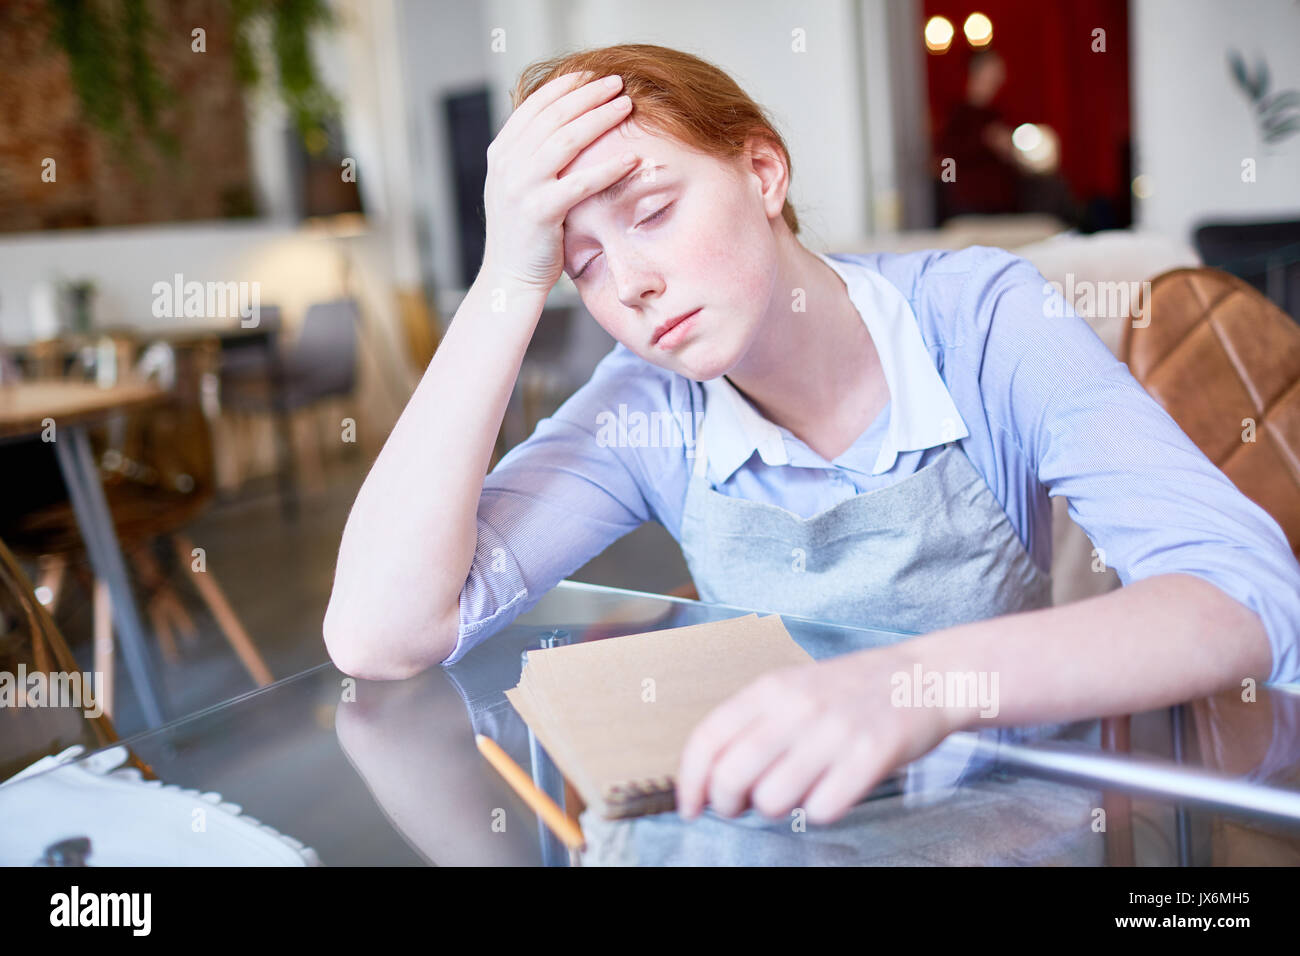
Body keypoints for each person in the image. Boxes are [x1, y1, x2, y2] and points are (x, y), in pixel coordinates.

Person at [324, 43, 1300, 827]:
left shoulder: (978, 318)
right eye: (578, 265)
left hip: (989, 829)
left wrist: (917, 684)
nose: (630, 285)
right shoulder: (645, 402)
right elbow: (380, 631)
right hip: (760, 830)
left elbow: (1243, 592)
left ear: (761, 169)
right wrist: (505, 283)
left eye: (653, 212)